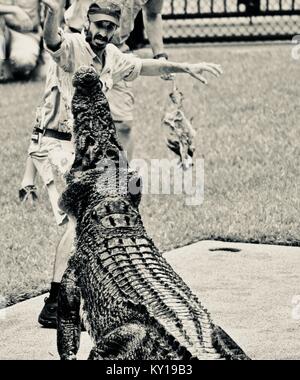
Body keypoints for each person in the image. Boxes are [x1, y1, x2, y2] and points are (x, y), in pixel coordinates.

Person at [37, 0, 222, 328]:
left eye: (110, 27)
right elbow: (53, 41)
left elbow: (145, 67)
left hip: (81, 151)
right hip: (60, 145)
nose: (104, 32)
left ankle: (69, 298)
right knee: (80, 220)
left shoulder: (112, 58)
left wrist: (186, 66)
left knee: (86, 219)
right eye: (99, 26)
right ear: (87, 24)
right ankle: (56, 303)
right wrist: (52, 14)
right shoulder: (74, 49)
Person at [19, 0, 168, 203]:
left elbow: (152, 16)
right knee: (56, 115)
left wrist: (160, 56)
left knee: (123, 123)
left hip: (115, 50)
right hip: (76, 43)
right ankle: (31, 177)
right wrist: (53, 16)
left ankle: (115, 185)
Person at [0, 0, 42, 81]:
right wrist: (15, 10)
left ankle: (9, 70)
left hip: (25, 33)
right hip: (3, 30)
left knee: (25, 62)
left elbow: (53, 6)